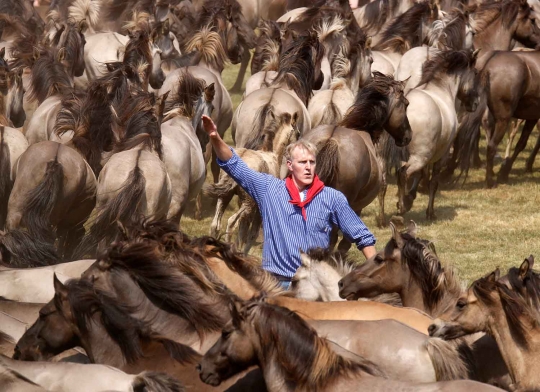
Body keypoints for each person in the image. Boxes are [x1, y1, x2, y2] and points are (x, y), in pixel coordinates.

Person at [202, 115, 377, 289]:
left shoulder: (332, 198)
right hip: (275, 284)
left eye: (312, 162)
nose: (308, 167)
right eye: (302, 162)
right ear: (290, 165)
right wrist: (215, 138)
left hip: (313, 285)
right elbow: (234, 165)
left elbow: (363, 236)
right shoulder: (269, 189)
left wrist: (374, 276)